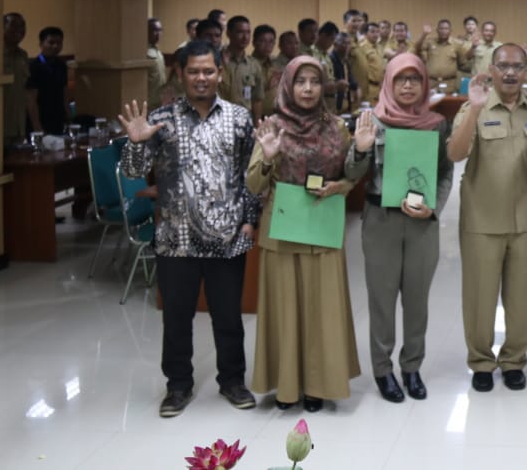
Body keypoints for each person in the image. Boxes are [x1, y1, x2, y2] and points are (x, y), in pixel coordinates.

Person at [118, 40, 259, 418]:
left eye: (208, 71)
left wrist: (250, 220)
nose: (201, 78)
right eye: (193, 71)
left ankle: (233, 381)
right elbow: (133, 172)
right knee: (176, 318)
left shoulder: (239, 119)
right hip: (175, 239)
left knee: (228, 316)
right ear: (181, 74)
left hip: (227, 239)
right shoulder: (161, 120)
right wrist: (134, 144)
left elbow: (252, 177)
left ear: (220, 73)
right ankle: (177, 386)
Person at [247, 57, 362, 411]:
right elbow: (253, 185)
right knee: (285, 309)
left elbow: (352, 176)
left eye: (315, 81)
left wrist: (341, 184)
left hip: (322, 224)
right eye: (301, 82)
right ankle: (286, 385)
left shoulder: (337, 127)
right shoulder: (272, 127)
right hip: (281, 228)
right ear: (287, 86)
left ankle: (317, 385)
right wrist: (268, 157)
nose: (309, 89)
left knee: (321, 309)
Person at [347, 53, 455, 403]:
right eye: (400, 79)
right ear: (389, 83)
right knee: (381, 299)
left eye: (415, 79)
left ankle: (411, 366)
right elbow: (351, 174)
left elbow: (444, 172)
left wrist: (434, 208)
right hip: (381, 220)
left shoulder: (437, 123)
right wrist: (360, 150)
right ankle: (382, 369)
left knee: (417, 299)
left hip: (421, 222)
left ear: (425, 83)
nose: (408, 86)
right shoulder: (372, 120)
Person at [447, 44, 527, 391]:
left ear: (526, 71)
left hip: (525, 220)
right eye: (503, 66)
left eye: (517, 67)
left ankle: (513, 360)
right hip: (481, 220)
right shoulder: (473, 106)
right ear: (491, 69)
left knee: (522, 298)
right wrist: (474, 110)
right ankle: (481, 362)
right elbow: (455, 153)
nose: (510, 73)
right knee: (480, 296)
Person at [218, 16, 265, 121]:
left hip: (244, 120)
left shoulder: (253, 65)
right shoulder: (218, 61)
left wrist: (257, 124)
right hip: (220, 119)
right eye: (240, 32)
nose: (245, 37)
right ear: (228, 33)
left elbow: (257, 98)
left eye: (248, 32)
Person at [26, 26, 67, 135]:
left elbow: (64, 92)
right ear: (41, 44)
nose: (55, 46)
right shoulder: (34, 66)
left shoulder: (61, 65)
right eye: (51, 42)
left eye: (59, 43)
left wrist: (67, 117)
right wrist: (37, 126)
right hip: (41, 118)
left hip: (58, 119)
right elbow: (31, 99)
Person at [3, 12, 33, 145]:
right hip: (0, 123)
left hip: (19, 125)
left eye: (22, 26)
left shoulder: (23, 55)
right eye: (14, 25)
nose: (19, 30)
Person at [418, 19, 470, 93]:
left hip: (450, 84)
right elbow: (417, 49)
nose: (443, 31)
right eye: (441, 28)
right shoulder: (430, 42)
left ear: (450, 30)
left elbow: (462, 63)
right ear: (437, 30)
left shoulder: (457, 44)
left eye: (446, 29)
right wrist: (424, 34)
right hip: (432, 84)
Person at [147, 18, 167, 110]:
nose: (158, 34)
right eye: (155, 30)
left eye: (160, 30)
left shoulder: (157, 51)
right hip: (149, 102)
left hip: (160, 101)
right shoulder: (142, 51)